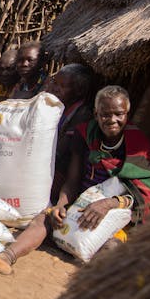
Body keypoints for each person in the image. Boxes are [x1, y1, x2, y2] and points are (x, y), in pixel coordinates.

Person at [0, 86, 150, 275]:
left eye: (119, 114)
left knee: (110, 248)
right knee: (43, 219)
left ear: (127, 115)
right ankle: (4, 258)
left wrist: (108, 204)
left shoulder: (136, 143)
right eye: (106, 114)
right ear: (96, 114)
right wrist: (62, 205)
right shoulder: (85, 134)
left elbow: (146, 189)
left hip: (117, 211)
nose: (112, 120)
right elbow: (73, 180)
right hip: (82, 204)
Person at [44, 63, 95, 200]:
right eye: (55, 83)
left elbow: (61, 151)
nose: (55, 89)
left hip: (61, 172)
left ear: (78, 91)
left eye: (62, 86)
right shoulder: (57, 106)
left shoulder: (82, 115)